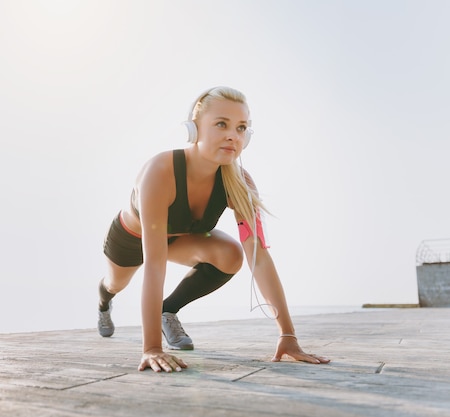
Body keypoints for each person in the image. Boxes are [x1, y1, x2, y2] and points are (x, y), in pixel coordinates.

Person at [96, 86, 330, 373]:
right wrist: (152, 348)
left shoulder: (240, 185)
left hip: (182, 238)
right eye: (221, 124)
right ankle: (104, 302)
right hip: (131, 239)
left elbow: (260, 257)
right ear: (193, 130)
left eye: (241, 127)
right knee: (116, 284)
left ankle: (167, 310)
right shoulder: (160, 170)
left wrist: (288, 336)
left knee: (232, 254)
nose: (233, 135)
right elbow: (154, 265)